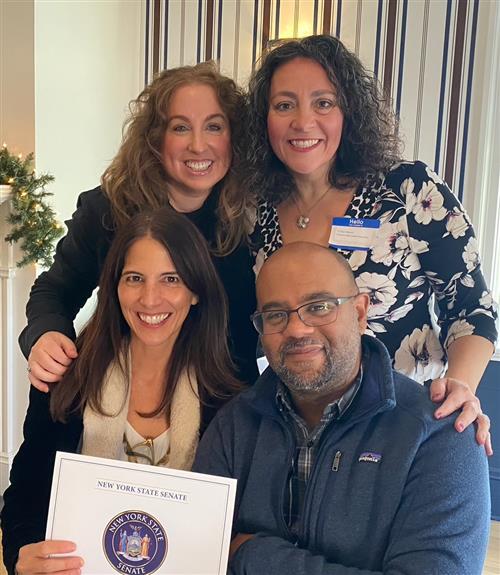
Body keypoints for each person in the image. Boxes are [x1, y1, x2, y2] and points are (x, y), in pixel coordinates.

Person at [245, 34, 498, 451]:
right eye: (284, 104)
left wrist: (460, 387)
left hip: (405, 431)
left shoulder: (407, 189)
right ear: (264, 119)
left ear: (349, 112)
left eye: (323, 103)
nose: (303, 122)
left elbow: (472, 309)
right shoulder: (257, 213)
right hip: (298, 435)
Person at [193, 242, 491, 575]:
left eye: (319, 307)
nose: (297, 329)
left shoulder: (439, 435)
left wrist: (251, 555)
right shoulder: (233, 427)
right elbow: (195, 556)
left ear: (361, 312)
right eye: (276, 315)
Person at [1, 209, 242, 575]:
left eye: (171, 279)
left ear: (195, 291)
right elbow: (25, 495)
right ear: (114, 287)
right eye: (134, 278)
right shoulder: (68, 376)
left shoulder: (230, 397)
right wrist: (21, 556)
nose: (150, 299)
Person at [20, 60, 258, 391]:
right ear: (155, 139)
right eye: (180, 127)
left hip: (222, 409)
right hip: (119, 400)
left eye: (214, 127)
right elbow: (55, 290)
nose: (198, 145)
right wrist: (45, 334)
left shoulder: (254, 218)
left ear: (234, 137)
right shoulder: (107, 210)